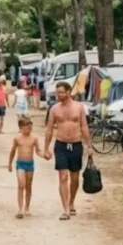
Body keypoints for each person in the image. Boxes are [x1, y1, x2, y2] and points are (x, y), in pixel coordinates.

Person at [43, 81, 91, 220]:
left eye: (62, 92)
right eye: (58, 92)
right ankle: (65, 209)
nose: (59, 95)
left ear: (69, 92)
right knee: (63, 177)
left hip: (76, 144)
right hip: (61, 145)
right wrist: (46, 148)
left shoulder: (79, 107)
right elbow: (49, 129)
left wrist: (89, 145)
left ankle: (71, 203)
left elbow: (84, 127)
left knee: (74, 179)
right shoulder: (54, 109)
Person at [8, 116, 41, 219]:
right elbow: (13, 151)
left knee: (28, 186)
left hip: (30, 164)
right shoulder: (17, 138)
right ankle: (20, 208)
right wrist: (9, 163)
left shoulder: (34, 138)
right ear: (21, 128)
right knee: (21, 184)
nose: (29, 130)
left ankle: (27, 208)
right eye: (27, 128)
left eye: (30, 128)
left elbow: (38, 151)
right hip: (20, 164)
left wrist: (44, 154)